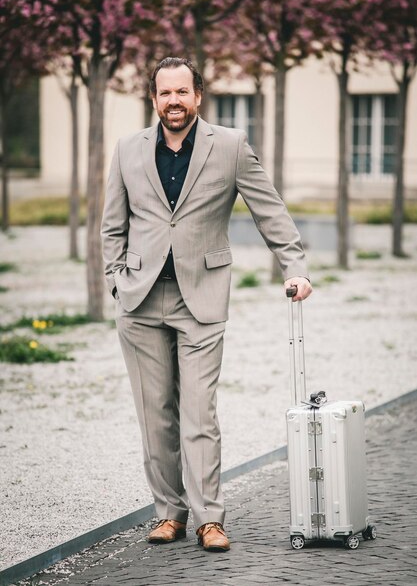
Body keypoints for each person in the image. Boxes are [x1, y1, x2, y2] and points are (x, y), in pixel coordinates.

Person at [101, 57, 312, 553]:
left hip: (202, 297)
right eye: (163, 94)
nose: (172, 101)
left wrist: (294, 266)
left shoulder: (231, 146)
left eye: (181, 92)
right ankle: (168, 514)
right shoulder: (128, 148)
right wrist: (115, 281)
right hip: (140, 299)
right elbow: (113, 224)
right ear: (153, 99)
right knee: (155, 415)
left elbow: (269, 209)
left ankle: (209, 520)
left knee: (200, 414)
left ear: (198, 95)